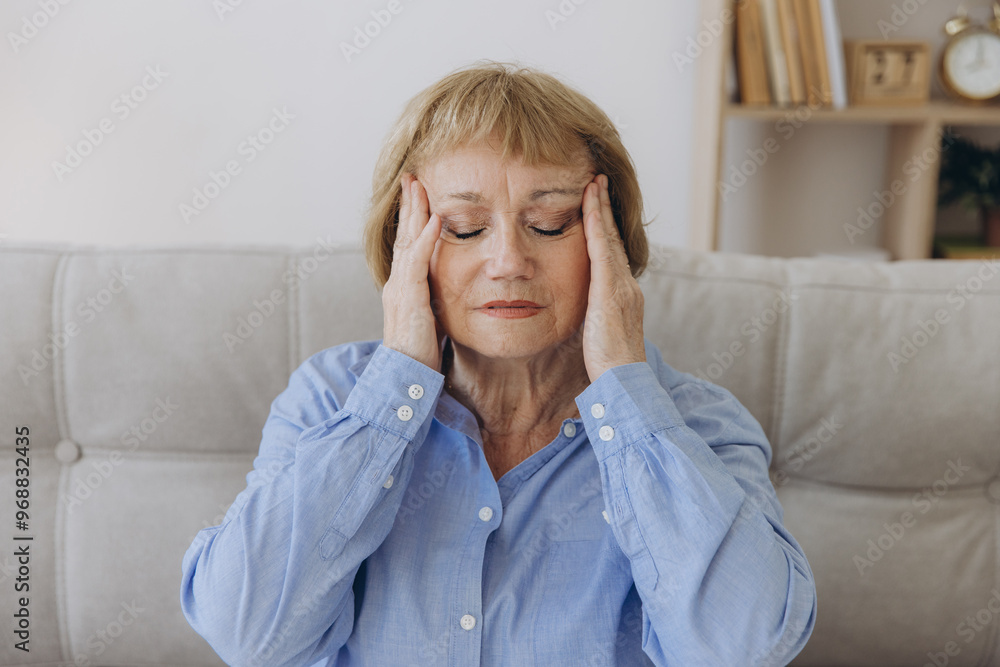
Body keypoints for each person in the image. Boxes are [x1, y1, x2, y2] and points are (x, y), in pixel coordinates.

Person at [180, 60, 817, 666]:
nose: (509, 260)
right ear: (405, 246)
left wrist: (625, 388)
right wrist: (398, 383)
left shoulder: (696, 423)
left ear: (611, 244)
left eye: (550, 223)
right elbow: (249, 636)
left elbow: (744, 651)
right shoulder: (331, 398)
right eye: (462, 228)